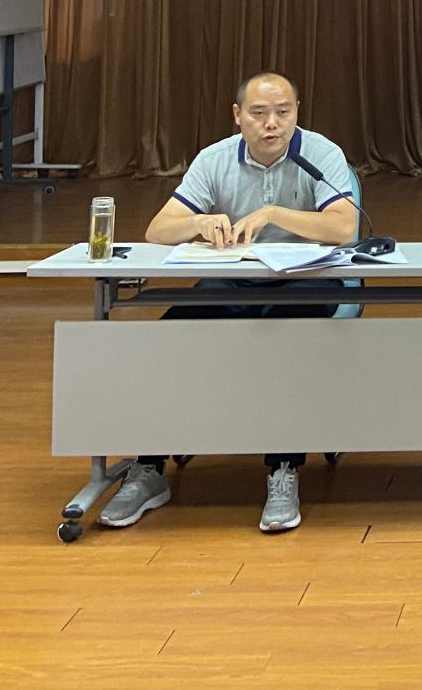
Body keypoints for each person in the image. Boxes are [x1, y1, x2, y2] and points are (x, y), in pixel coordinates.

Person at [100, 71, 360, 534]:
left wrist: (273, 214)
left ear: (297, 113)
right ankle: (149, 468)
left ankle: (283, 467)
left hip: (305, 280)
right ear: (238, 116)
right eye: (259, 113)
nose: (272, 124)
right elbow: (158, 230)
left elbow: (343, 227)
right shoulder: (215, 159)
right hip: (235, 278)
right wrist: (197, 223)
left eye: (283, 112)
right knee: (172, 334)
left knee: (288, 335)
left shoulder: (321, 154)